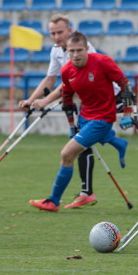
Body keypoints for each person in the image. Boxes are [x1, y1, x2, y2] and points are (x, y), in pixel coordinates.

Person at [18, 14, 128, 206]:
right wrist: (34, 101)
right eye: (53, 33)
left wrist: (128, 112)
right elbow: (64, 91)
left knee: (67, 153)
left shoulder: (99, 59)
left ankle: (55, 200)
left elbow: (123, 83)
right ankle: (117, 143)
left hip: (105, 110)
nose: (75, 55)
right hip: (86, 111)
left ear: (85, 48)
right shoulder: (65, 65)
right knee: (79, 142)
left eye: (60, 32)